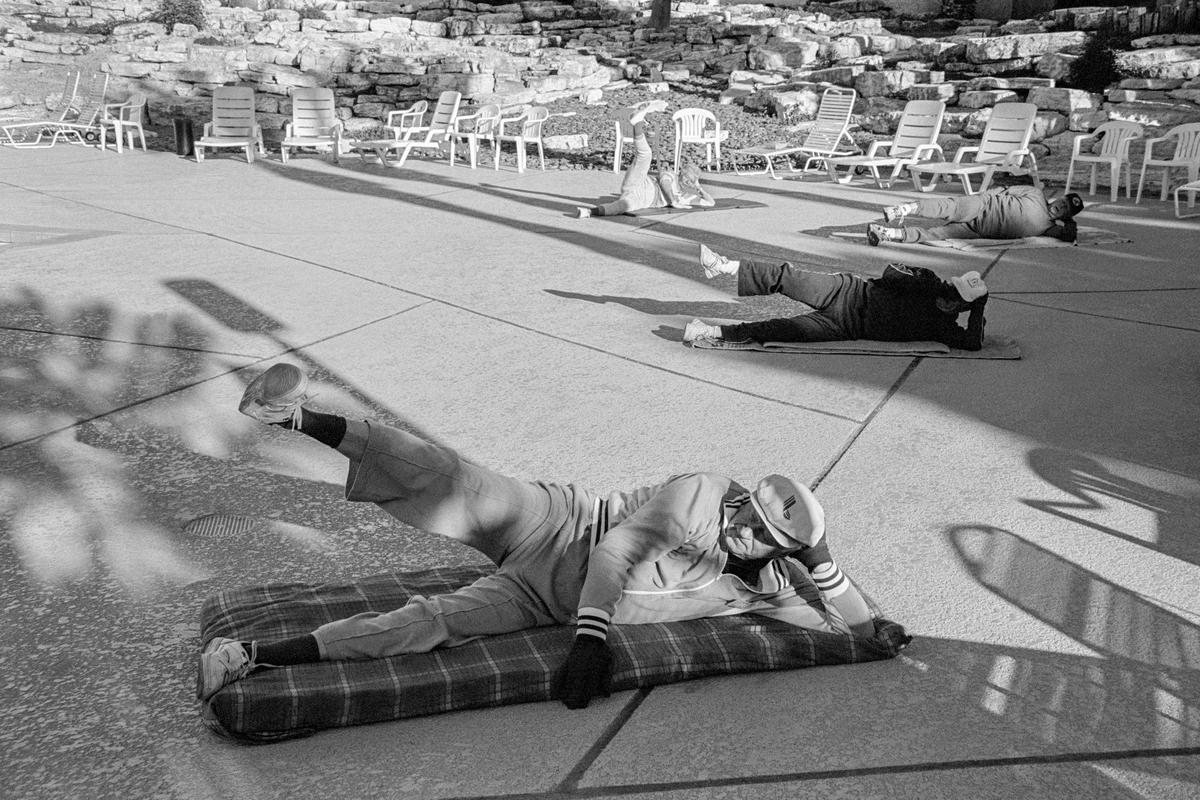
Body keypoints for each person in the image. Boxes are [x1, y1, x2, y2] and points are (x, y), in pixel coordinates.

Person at [198, 364, 877, 710]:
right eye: (749, 508)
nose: (742, 525)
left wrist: (847, 593)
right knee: (449, 478)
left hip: (538, 597)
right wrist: (590, 641)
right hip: (559, 525)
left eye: (760, 532)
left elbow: (849, 611)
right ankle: (296, 418)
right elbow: (616, 553)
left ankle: (252, 653)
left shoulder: (772, 581)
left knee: (431, 622)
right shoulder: (700, 495)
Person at [684, 246, 989, 350]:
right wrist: (935, 288)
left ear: (962, 307)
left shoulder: (944, 327)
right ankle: (722, 267)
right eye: (952, 289)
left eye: (957, 300)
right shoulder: (927, 281)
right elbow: (890, 273)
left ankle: (709, 332)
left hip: (842, 327)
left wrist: (979, 307)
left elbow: (973, 344)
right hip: (846, 291)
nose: (950, 299)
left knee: (776, 330)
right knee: (786, 277)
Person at [576, 100, 715, 218]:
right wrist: (673, 201)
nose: (687, 182)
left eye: (690, 181)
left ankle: (588, 212)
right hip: (641, 183)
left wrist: (698, 187)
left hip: (642, 200)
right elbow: (664, 183)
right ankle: (637, 123)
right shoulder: (671, 176)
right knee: (645, 155)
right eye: (686, 178)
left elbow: (710, 203)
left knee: (623, 206)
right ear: (682, 174)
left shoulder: (685, 197)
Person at [866, 186, 1085, 246]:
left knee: (935, 235)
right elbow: (1003, 189)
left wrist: (1069, 221)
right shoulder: (1035, 194)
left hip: (977, 231)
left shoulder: (1049, 227)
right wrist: (981, 199)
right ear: (1059, 198)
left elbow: (1070, 236)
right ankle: (902, 210)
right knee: (947, 207)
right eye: (1062, 202)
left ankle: (886, 234)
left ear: (1065, 216)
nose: (1060, 206)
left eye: (1066, 209)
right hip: (982, 206)